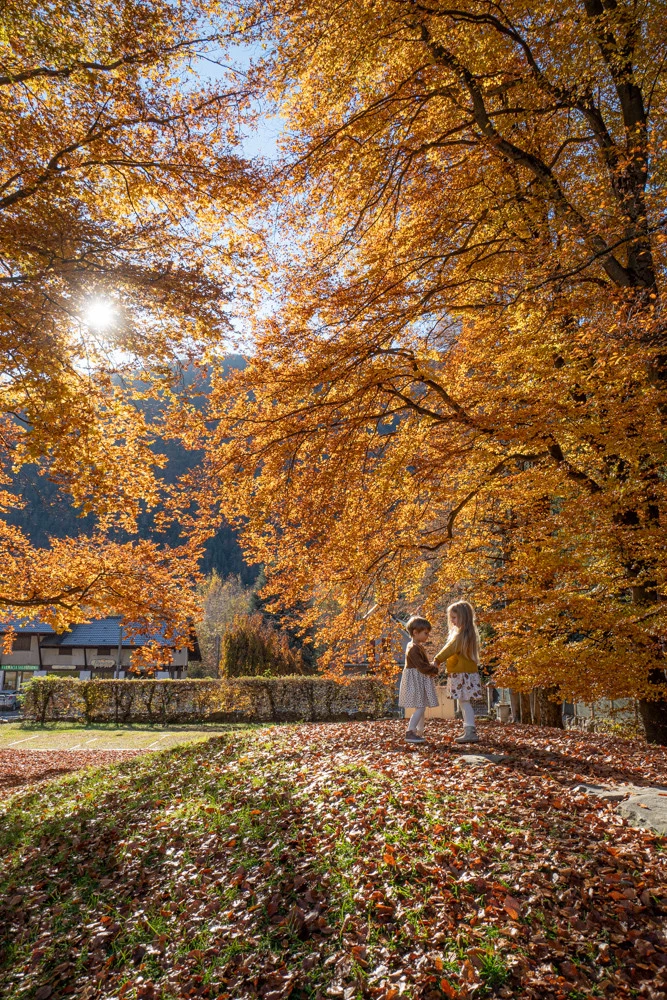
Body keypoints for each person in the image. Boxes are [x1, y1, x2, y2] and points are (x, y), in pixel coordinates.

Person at [434, 600, 483, 744]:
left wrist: (437, 660)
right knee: (463, 702)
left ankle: (470, 731)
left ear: (463, 617)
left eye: (454, 618)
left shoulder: (461, 636)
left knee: (464, 702)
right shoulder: (468, 634)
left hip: (462, 674)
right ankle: (468, 728)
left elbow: (449, 649)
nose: (452, 621)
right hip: (466, 672)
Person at [398, 615, 439, 744]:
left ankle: (419, 731)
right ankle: (410, 731)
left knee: (421, 707)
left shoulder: (417, 646)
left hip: (418, 679)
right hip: (415, 680)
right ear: (415, 632)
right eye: (425, 633)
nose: (427, 636)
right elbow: (421, 666)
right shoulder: (413, 648)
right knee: (420, 707)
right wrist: (433, 668)